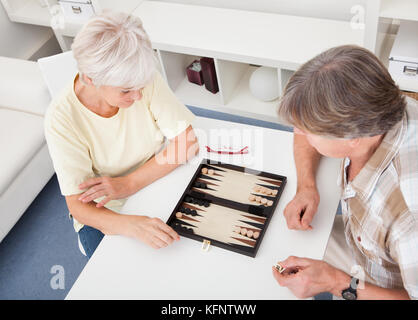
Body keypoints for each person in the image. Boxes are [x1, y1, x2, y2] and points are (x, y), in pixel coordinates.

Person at [44, 11, 199, 258]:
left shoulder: (139, 76)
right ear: (90, 78)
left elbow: (187, 143)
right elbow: (78, 206)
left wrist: (128, 183)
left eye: (140, 87)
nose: (138, 97)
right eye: (126, 91)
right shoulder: (61, 119)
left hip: (153, 179)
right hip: (105, 209)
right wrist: (132, 225)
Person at [272, 45, 417, 300]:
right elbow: (301, 125)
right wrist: (306, 186)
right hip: (365, 245)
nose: (299, 133)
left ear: (353, 137)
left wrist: (337, 283)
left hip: (391, 288)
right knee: (281, 246)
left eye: (309, 129)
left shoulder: (409, 219)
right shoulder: (377, 100)